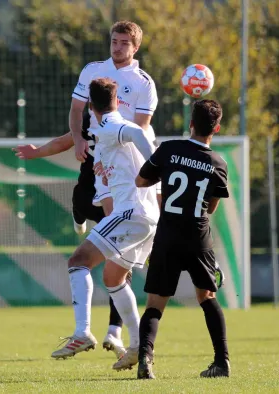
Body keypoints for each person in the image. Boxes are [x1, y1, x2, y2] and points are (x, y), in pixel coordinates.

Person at [51, 78, 158, 372]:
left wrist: (155, 166)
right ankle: (139, 349)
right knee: (113, 278)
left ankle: (83, 332)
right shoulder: (108, 130)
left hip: (131, 213)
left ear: (89, 104)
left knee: (78, 260)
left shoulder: (112, 126)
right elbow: (136, 138)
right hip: (147, 217)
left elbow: (135, 132)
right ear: (116, 100)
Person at [13, 112, 130, 358]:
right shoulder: (117, 124)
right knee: (117, 266)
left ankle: (108, 332)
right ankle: (118, 333)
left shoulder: (118, 123)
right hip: (105, 198)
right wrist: (37, 151)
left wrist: (36, 152)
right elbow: (66, 140)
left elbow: (66, 140)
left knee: (109, 267)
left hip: (107, 198)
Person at [134, 99, 231, 379]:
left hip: (168, 234)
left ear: (191, 123)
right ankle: (221, 363)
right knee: (207, 297)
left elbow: (141, 181)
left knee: (155, 303)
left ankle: (146, 361)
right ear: (217, 128)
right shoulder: (218, 163)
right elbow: (210, 207)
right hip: (198, 237)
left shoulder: (169, 149)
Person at [69, 20, 158, 213]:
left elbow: (141, 127)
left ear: (136, 47)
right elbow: (76, 109)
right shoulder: (92, 70)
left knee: (141, 210)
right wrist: (78, 138)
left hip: (129, 152)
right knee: (104, 210)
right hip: (100, 148)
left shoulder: (144, 83)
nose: (117, 48)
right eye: (114, 41)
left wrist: (115, 157)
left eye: (124, 43)